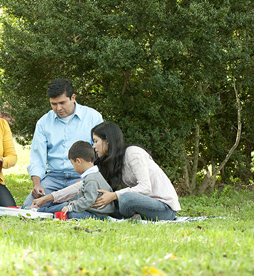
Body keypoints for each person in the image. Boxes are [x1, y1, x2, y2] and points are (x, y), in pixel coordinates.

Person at [33, 121, 181, 221]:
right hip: (131, 207)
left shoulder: (133, 153)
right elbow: (83, 185)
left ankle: (127, 217)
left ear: (107, 141)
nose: (94, 147)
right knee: (93, 201)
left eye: (96, 141)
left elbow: (145, 187)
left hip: (162, 207)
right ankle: (50, 211)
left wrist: (114, 195)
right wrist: (49, 198)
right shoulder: (108, 162)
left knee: (126, 199)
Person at [22, 78, 103, 209]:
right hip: (53, 177)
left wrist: (86, 178)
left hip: (82, 176)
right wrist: (37, 184)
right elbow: (37, 158)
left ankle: (58, 208)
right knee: (28, 207)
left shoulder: (93, 118)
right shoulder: (43, 122)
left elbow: (100, 154)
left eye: (62, 103)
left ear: (73, 97)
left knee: (87, 204)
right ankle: (61, 208)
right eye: (53, 104)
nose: (58, 108)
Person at [37, 141, 115, 219]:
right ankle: (42, 211)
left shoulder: (91, 179)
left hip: (97, 214)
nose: (73, 167)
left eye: (72, 164)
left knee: (71, 214)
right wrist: (76, 203)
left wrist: (71, 207)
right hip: (93, 210)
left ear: (78, 161)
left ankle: (44, 214)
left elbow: (89, 200)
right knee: (69, 206)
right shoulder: (94, 175)